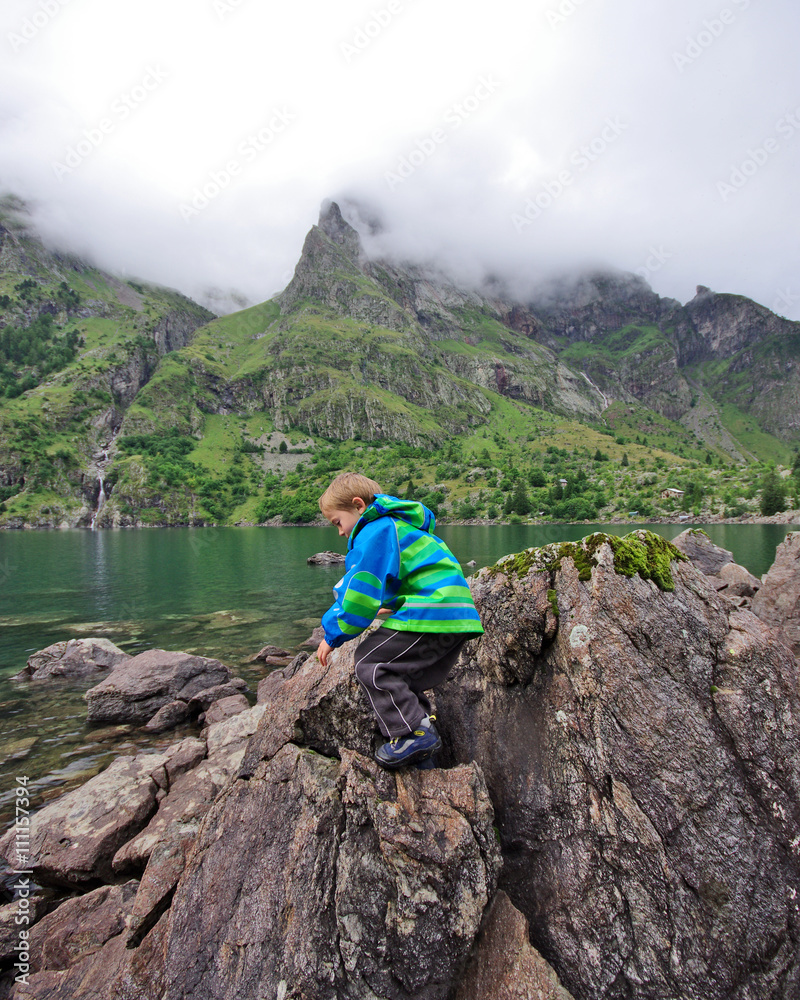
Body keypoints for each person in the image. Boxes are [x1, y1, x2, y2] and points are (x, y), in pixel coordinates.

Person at [317, 472, 483, 769]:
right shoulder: (399, 526)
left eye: (337, 522)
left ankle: (413, 734)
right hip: (455, 614)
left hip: (433, 611)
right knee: (403, 678)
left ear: (357, 506)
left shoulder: (375, 531)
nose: (340, 533)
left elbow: (359, 594)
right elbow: (409, 575)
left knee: (370, 662)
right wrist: (390, 605)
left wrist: (332, 634)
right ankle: (422, 754)